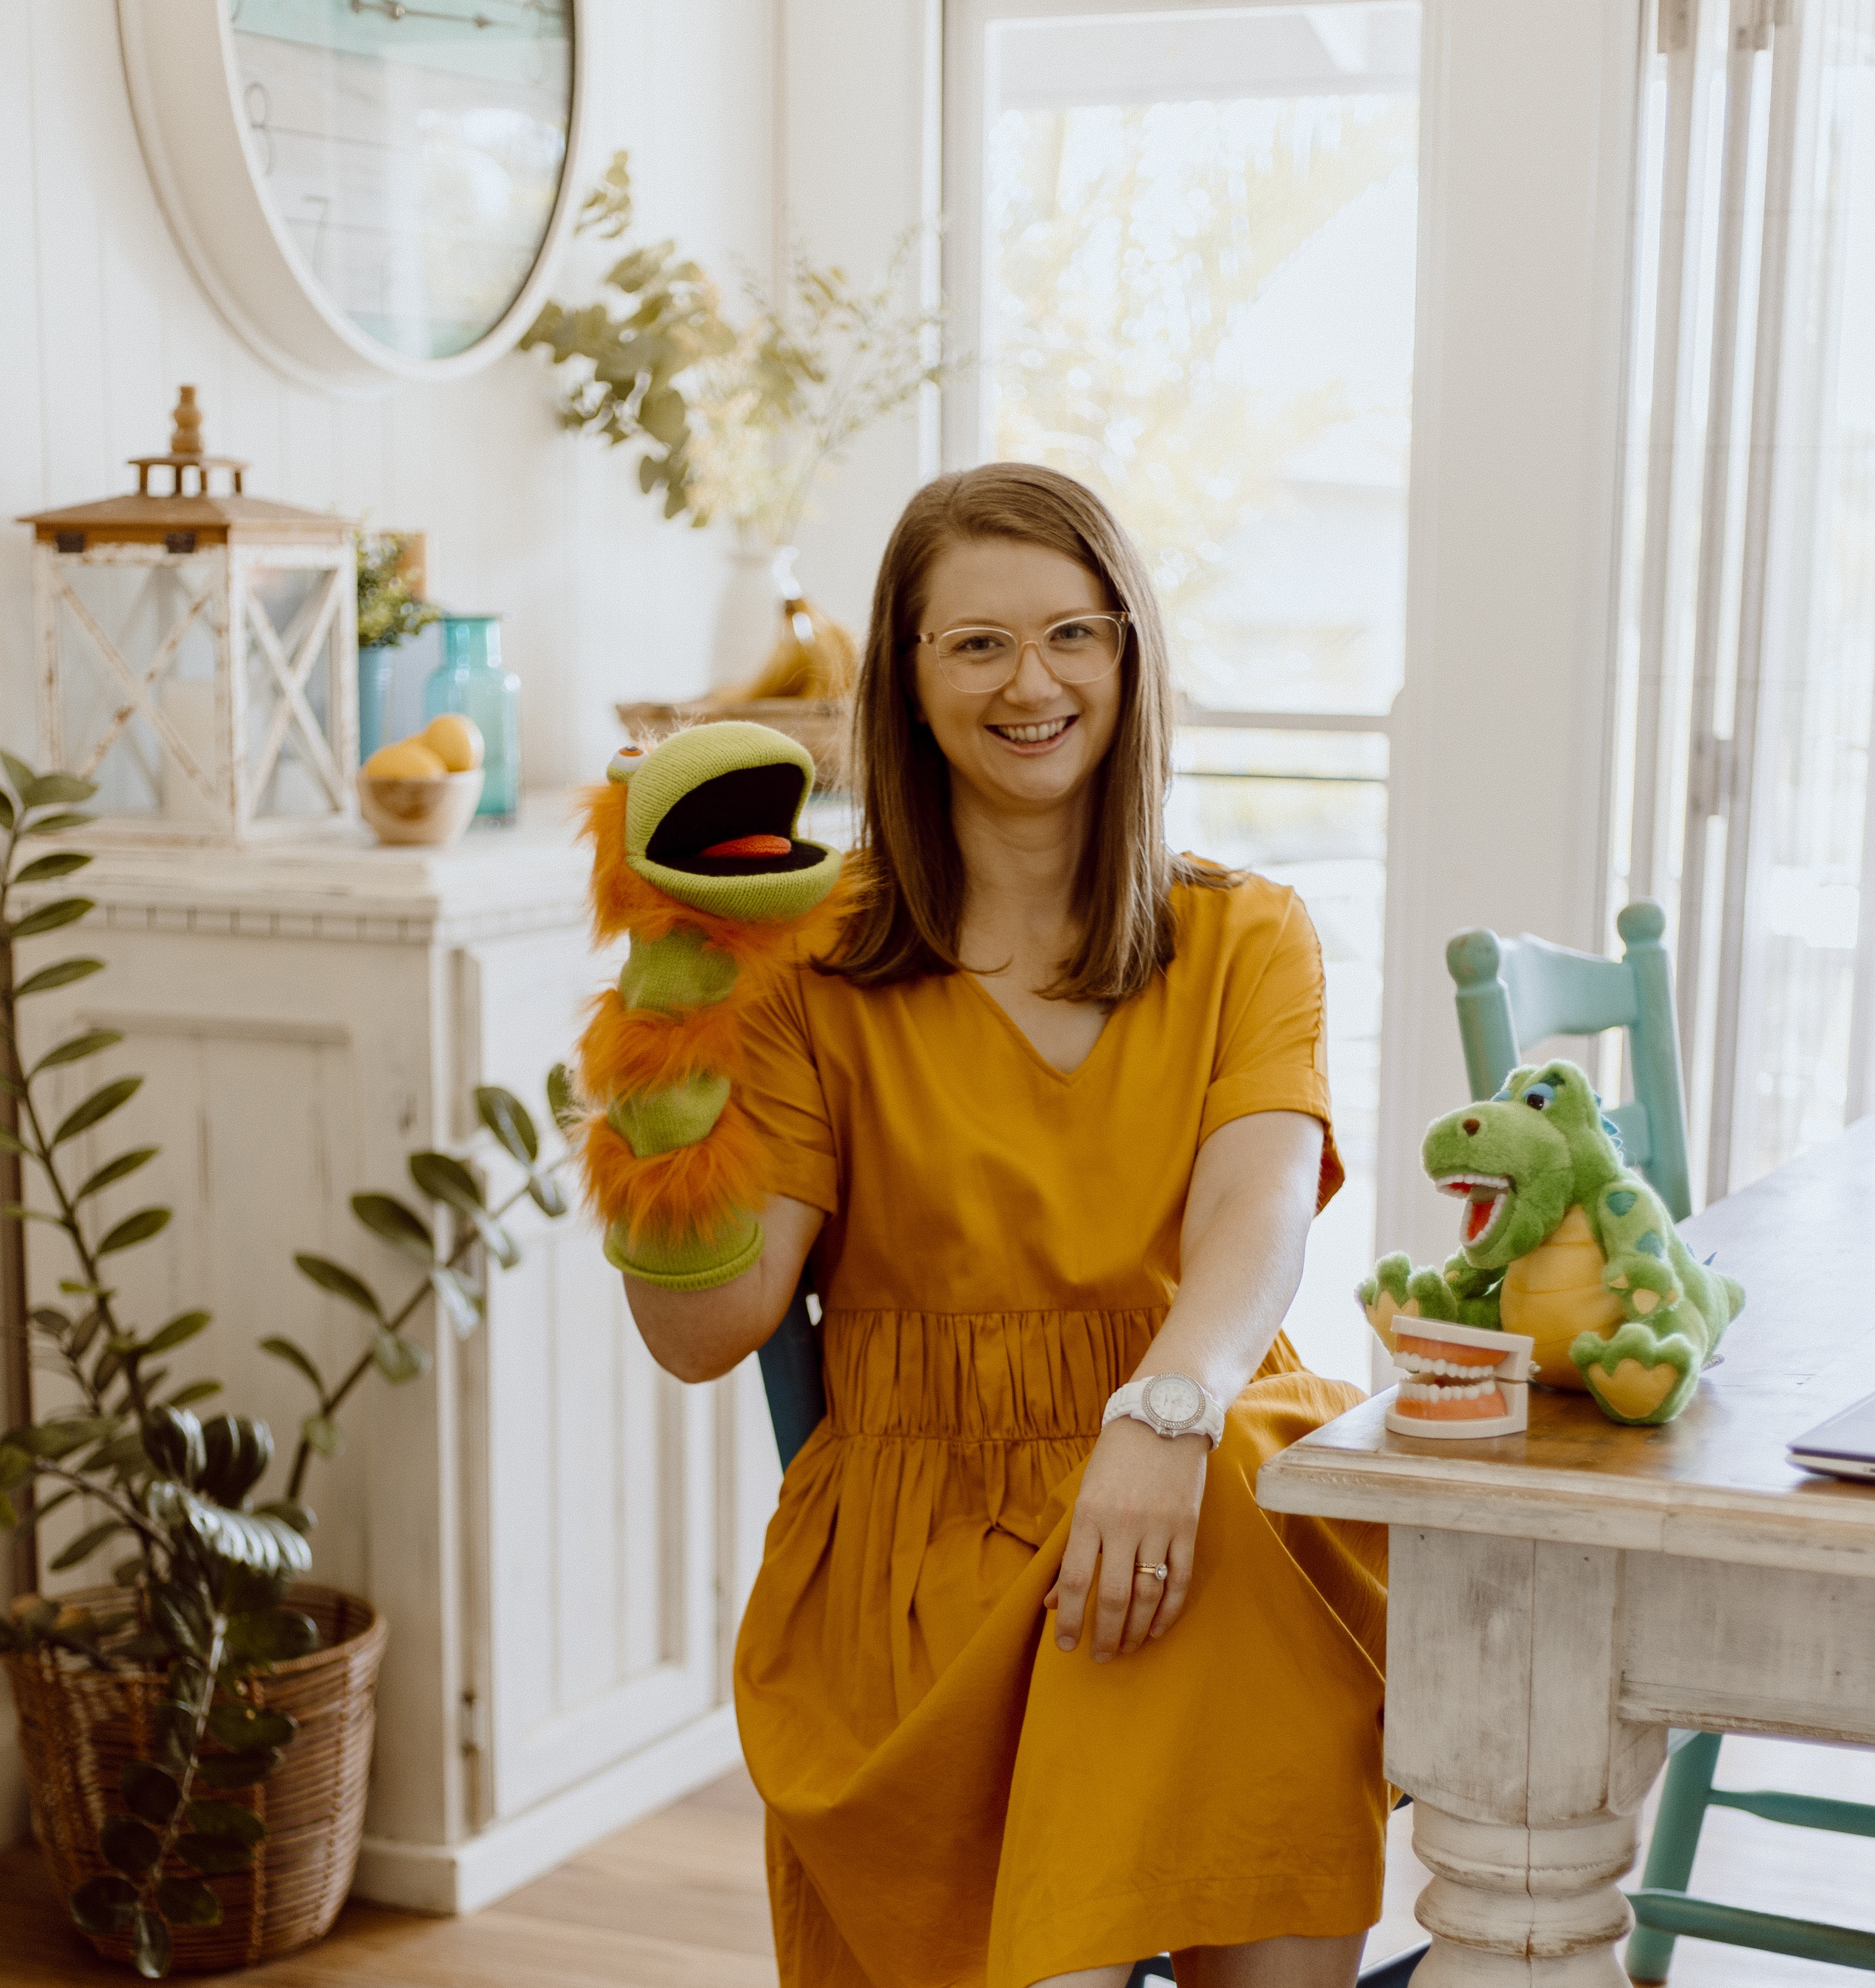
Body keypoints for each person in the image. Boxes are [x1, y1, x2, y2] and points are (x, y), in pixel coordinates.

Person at [624, 463, 1388, 1988]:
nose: (1031, 682)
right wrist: (660, 1049)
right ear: (904, 684)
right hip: (919, 1546)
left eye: (1073, 635)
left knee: (1276, 1915)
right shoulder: (808, 969)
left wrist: (1160, 1417)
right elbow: (704, 1333)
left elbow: (1255, 1225)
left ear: (1130, 657)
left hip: (1197, 1480)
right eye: (974, 643)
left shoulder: (1248, 934)